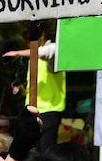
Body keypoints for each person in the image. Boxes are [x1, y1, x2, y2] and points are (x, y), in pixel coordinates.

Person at [4, 25, 65, 153]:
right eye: (26, 38)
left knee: (45, 152)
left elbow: (44, 52)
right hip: (33, 111)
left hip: (49, 111)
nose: (28, 41)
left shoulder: (54, 49)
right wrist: (22, 91)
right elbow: (35, 90)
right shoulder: (34, 59)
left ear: (43, 34)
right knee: (32, 152)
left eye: (31, 37)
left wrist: (17, 53)